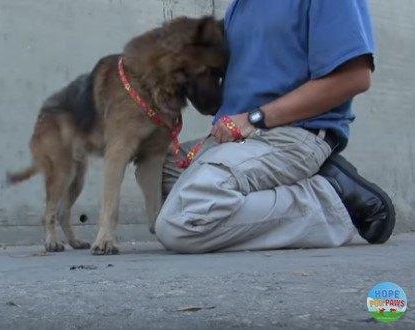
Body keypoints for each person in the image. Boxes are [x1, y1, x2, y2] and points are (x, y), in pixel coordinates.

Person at [153, 0, 395, 253]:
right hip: (236, 140)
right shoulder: (241, 5)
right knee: (154, 167)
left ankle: (330, 203)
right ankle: (303, 184)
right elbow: (232, 96)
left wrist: (254, 118)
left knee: (182, 221)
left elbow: (354, 78)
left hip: (290, 135)